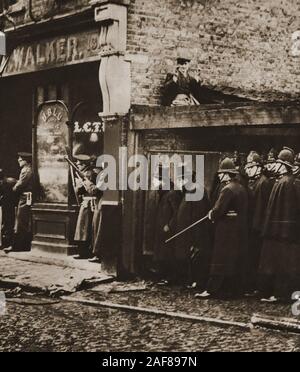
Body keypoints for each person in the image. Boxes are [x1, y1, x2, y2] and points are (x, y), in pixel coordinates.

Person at [196, 158, 248, 299]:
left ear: (226, 174)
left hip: (225, 229)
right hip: (238, 229)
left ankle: (212, 289)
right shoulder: (241, 188)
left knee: (219, 259)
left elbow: (218, 210)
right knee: (232, 259)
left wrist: (211, 214)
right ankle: (232, 291)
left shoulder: (227, 189)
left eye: (221, 173)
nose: (219, 175)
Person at [259, 147, 300, 303]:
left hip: (283, 234)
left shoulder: (287, 183)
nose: (274, 166)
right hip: (283, 233)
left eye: (277, 163)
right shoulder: (288, 182)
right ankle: (280, 294)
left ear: (284, 165)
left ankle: (281, 295)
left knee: (283, 265)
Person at [174, 172, 211, 288]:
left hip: (194, 233)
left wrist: (195, 236)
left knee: (196, 256)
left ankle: (197, 281)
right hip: (187, 232)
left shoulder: (196, 191)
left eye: (181, 180)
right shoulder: (189, 192)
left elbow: (197, 215)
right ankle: (191, 280)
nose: (179, 183)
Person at [244, 151, 273, 294]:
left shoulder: (263, 183)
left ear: (259, 168)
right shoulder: (254, 182)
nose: (248, 170)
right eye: (247, 167)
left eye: (251, 167)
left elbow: (261, 208)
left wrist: (256, 227)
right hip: (253, 226)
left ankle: (257, 286)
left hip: (257, 227)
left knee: (256, 256)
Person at [153, 171, 182, 285]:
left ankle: (170, 277)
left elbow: (177, 212)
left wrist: (170, 225)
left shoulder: (172, 194)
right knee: (163, 253)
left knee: (169, 254)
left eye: (156, 180)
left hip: (169, 230)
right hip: (163, 229)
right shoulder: (164, 193)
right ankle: (165, 276)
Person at [4, 152, 33, 253]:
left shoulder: (26, 170)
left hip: (25, 197)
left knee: (20, 221)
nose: (18, 161)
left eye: (20, 159)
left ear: (26, 161)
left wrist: (13, 187)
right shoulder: (28, 169)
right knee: (22, 221)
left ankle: (18, 246)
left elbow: (21, 184)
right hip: (25, 197)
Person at [73, 155, 98, 259]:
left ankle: (85, 252)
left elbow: (81, 190)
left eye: (78, 163)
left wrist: (78, 184)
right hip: (88, 203)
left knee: (84, 228)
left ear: (83, 164)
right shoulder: (88, 173)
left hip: (88, 204)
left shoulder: (88, 174)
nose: (77, 165)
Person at [0, 170, 17, 249]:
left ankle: (6, 242)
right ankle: (7, 242)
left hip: (6, 206)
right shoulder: (12, 181)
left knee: (6, 224)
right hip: (9, 205)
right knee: (8, 224)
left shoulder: (7, 182)